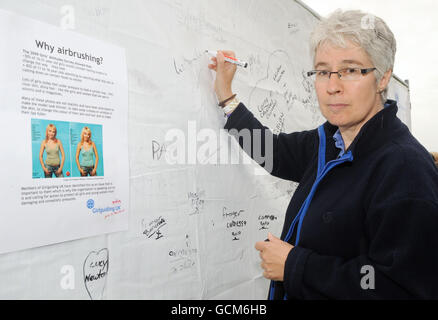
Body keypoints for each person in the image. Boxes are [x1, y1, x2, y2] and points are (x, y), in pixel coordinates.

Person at [208, 9, 438, 299]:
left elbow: (397, 286)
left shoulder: (404, 168)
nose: (332, 86)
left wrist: (295, 266)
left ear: (382, 79)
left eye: (351, 70)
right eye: (322, 71)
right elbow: (271, 152)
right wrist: (227, 97)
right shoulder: (328, 141)